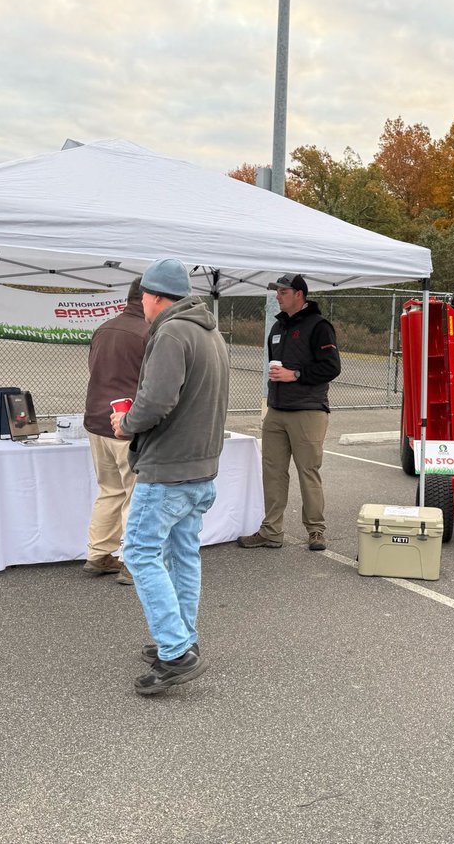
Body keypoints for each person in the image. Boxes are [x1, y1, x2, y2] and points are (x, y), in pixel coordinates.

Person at [112, 258, 228, 695]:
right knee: (184, 555)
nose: (141, 303)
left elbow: (157, 400)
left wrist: (127, 424)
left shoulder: (172, 332)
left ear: (157, 296)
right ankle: (182, 637)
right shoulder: (209, 332)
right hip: (201, 469)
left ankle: (176, 650)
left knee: (140, 553)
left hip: (169, 470)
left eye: (143, 295)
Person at [237, 272, 341, 552]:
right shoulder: (277, 327)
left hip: (308, 410)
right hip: (277, 410)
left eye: (283, 292)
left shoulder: (319, 326)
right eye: (277, 292)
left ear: (299, 295)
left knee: (308, 471)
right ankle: (271, 531)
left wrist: (295, 374)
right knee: (272, 472)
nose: (278, 296)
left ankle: (316, 530)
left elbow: (331, 368)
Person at [81, 278, 148, 585]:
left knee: (109, 489)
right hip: (127, 426)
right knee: (137, 494)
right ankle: (131, 563)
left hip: (96, 421)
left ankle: (98, 554)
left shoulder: (104, 328)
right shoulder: (150, 332)